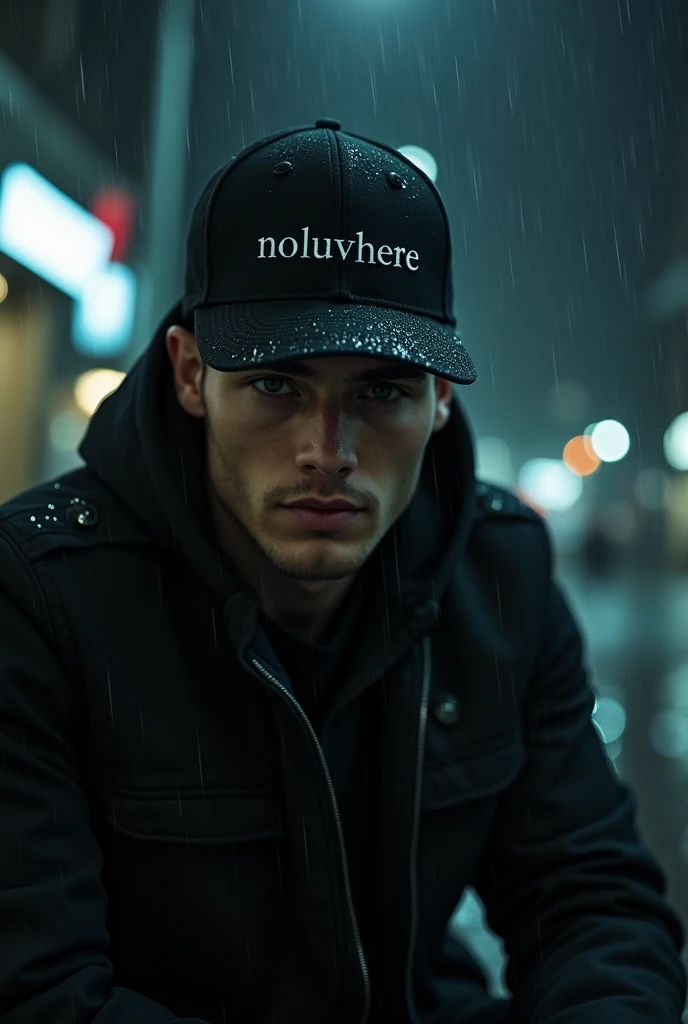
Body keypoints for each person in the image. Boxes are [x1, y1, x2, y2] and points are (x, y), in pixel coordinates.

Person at [0, 119, 685, 1024]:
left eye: (381, 390)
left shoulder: (497, 571)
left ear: (441, 401)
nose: (329, 451)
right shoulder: (41, 593)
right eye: (278, 384)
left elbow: (592, 903)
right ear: (191, 372)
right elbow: (39, 995)